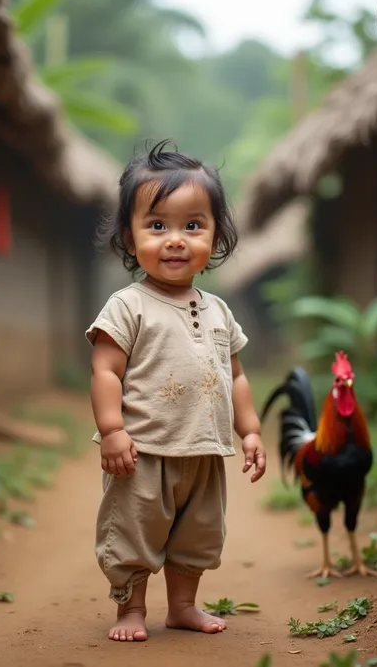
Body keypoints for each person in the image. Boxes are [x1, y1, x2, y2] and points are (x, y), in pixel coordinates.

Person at [86, 139, 266, 643]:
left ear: (216, 236)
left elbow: (235, 375)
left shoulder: (219, 311)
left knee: (198, 535)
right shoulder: (128, 306)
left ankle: (183, 605)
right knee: (134, 530)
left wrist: (249, 431)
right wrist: (112, 430)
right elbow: (105, 372)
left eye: (193, 225)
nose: (175, 239)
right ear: (129, 235)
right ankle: (132, 609)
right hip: (143, 451)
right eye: (157, 224)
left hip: (204, 450)